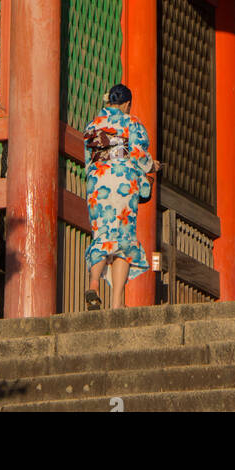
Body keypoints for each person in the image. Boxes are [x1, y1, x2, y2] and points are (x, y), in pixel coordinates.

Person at [83, 83, 160, 311]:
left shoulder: (93, 126)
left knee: (102, 235)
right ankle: (117, 303)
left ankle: (94, 286)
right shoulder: (131, 122)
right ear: (127, 104)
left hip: (97, 184)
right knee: (123, 241)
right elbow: (137, 155)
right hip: (122, 185)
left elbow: (89, 160)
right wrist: (151, 166)